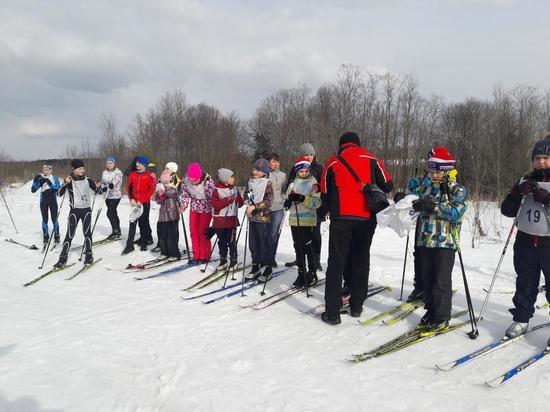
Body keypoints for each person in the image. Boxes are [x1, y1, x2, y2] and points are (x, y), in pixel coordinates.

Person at [319, 132, 393, 325]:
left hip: (341, 218)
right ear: (358, 144)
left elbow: (325, 193)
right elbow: (388, 185)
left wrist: (323, 212)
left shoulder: (333, 162)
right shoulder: (372, 159)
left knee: (336, 263)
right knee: (361, 259)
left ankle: (333, 313)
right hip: (366, 218)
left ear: (341, 145)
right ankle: (357, 306)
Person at [407, 147, 467, 332]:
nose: (434, 174)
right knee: (427, 278)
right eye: (431, 170)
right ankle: (430, 310)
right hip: (425, 240)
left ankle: (441, 316)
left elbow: (457, 212)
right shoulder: (427, 185)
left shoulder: (456, 188)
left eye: (438, 171)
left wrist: (434, 207)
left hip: (445, 242)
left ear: (447, 170)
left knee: (440, 280)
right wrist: (407, 199)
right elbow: (413, 189)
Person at [501, 136, 550, 342]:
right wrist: (517, 194)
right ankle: (521, 318)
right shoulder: (524, 180)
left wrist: (547, 199)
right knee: (525, 282)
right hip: (526, 240)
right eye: (537, 157)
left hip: (548, 242)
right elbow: (507, 210)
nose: (541, 162)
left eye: (546, 157)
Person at [54, 159, 101, 267]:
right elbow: (58, 193)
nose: (82, 170)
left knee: (87, 233)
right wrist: (65, 183)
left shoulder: (88, 180)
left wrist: (98, 186)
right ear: (73, 169)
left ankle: (89, 255)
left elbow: (98, 192)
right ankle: (62, 258)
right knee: (69, 235)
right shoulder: (69, 180)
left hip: (86, 211)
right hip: (74, 211)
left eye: (83, 168)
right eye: (79, 168)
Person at [286, 143, 325, 270]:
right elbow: (291, 185)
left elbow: (322, 189)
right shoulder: (295, 167)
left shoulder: (319, 168)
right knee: (299, 240)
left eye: (311, 154)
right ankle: (300, 260)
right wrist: (289, 199)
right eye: (306, 155)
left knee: (315, 236)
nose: (309, 157)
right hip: (298, 211)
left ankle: (315, 260)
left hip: (314, 208)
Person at [284, 156, 321, 287]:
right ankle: (301, 272)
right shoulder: (292, 184)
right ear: (297, 171)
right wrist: (287, 202)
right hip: (295, 221)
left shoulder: (314, 183)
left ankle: (312, 272)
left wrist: (303, 198)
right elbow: (285, 200)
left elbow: (317, 203)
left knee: (308, 247)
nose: (304, 173)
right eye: (301, 171)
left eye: (306, 171)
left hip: (308, 221)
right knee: (298, 248)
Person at [244, 158, 274, 282]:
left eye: (258, 170)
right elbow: (247, 194)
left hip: (263, 218)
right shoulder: (250, 181)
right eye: (254, 169)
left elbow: (269, 201)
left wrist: (254, 207)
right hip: (252, 218)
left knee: (264, 244)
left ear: (264, 172)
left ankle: (268, 268)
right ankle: (255, 266)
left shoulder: (267, 183)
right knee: (253, 243)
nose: (255, 172)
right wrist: (247, 201)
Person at [179, 162, 215, 264]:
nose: (194, 182)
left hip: (206, 208)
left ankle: (205, 255)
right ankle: (196, 254)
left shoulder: (207, 182)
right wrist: (183, 206)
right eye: (192, 179)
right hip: (194, 207)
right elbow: (185, 194)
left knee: (202, 232)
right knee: (193, 231)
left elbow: (213, 198)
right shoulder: (186, 180)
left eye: (196, 179)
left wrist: (215, 213)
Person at [211, 168, 244, 270]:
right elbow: (215, 205)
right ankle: (223, 260)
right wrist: (228, 199)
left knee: (232, 241)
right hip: (220, 220)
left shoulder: (234, 189)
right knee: (222, 241)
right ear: (225, 179)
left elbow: (240, 204)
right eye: (231, 177)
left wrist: (238, 198)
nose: (233, 178)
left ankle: (233, 261)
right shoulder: (216, 190)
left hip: (231, 220)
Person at [122, 155, 155, 255]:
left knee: (143, 222)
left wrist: (142, 200)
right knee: (132, 221)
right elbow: (129, 188)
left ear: (144, 165)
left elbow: (151, 190)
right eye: (136, 163)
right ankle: (129, 245)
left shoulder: (149, 175)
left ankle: (144, 242)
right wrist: (131, 199)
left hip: (144, 203)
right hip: (135, 203)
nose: (137, 164)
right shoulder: (133, 175)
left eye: (139, 163)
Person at [153, 169, 181, 261]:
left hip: (172, 216)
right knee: (163, 236)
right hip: (163, 216)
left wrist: (162, 191)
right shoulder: (162, 187)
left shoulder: (173, 187)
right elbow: (159, 200)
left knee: (171, 236)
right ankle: (164, 252)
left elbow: (171, 193)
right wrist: (158, 193)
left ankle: (174, 254)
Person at [31, 163, 61, 246]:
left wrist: (49, 182)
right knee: (45, 219)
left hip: (52, 201)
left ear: (51, 170)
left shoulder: (55, 178)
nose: (46, 171)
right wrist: (36, 180)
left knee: (54, 218)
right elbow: (33, 190)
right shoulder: (41, 179)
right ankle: (45, 235)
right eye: (44, 169)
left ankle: (57, 235)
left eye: (48, 170)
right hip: (43, 201)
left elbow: (58, 189)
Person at [266, 153, 286, 267]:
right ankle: (263, 256)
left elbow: (285, 188)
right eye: (273, 161)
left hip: (278, 208)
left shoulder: (283, 175)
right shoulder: (265, 174)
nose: (276, 164)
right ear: (268, 162)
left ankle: (271, 257)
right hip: (265, 208)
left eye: (277, 162)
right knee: (265, 233)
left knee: (274, 234)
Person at [100, 156, 123, 239]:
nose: (109, 165)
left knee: (109, 213)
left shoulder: (118, 172)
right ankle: (117, 230)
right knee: (113, 213)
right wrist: (103, 187)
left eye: (110, 163)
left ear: (114, 163)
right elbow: (102, 182)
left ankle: (115, 231)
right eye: (107, 163)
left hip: (115, 196)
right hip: (107, 196)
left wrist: (111, 185)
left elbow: (115, 182)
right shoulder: (104, 172)